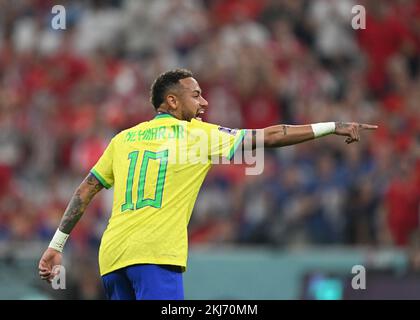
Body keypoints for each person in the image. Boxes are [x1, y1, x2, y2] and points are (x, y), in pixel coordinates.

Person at [38, 68, 377, 300]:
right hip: (155, 254)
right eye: (196, 95)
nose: (204, 103)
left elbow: (85, 189)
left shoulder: (123, 139)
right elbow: (272, 136)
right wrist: (332, 125)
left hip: (112, 259)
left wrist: (56, 245)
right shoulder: (196, 135)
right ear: (172, 101)